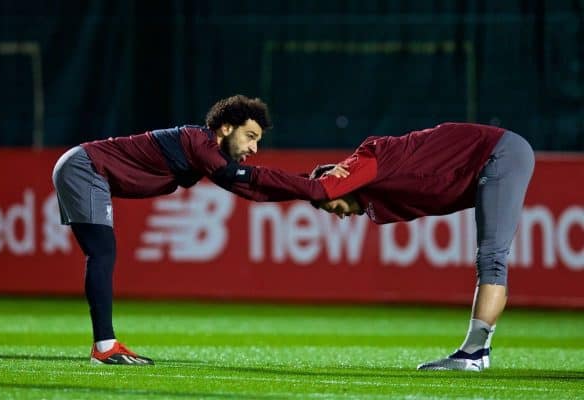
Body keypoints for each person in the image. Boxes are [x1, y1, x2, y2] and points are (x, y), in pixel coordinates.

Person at [247, 122, 535, 371]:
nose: (338, 214)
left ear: (338, 178)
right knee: (491, 256)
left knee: (492, 256)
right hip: (496, 156)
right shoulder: (368, 179)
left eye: (330, 206)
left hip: (500, 153)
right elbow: (313, 185)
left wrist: (240, 175)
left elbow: (321, 187)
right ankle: (477, 351)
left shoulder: (368, 159)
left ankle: (474, 353)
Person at [52, 94, 283, 365]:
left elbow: (253, 190)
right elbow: (246, 180)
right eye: (251, 136)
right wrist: (315, 189)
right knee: (102, 252)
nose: (254, 147)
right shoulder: (201, 144)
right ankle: (104, 347)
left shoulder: (207, 151)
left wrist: (310, 184)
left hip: (84, 165)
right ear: (228, 127)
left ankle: (105, 346)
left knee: (102, 252)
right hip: (85, 167)